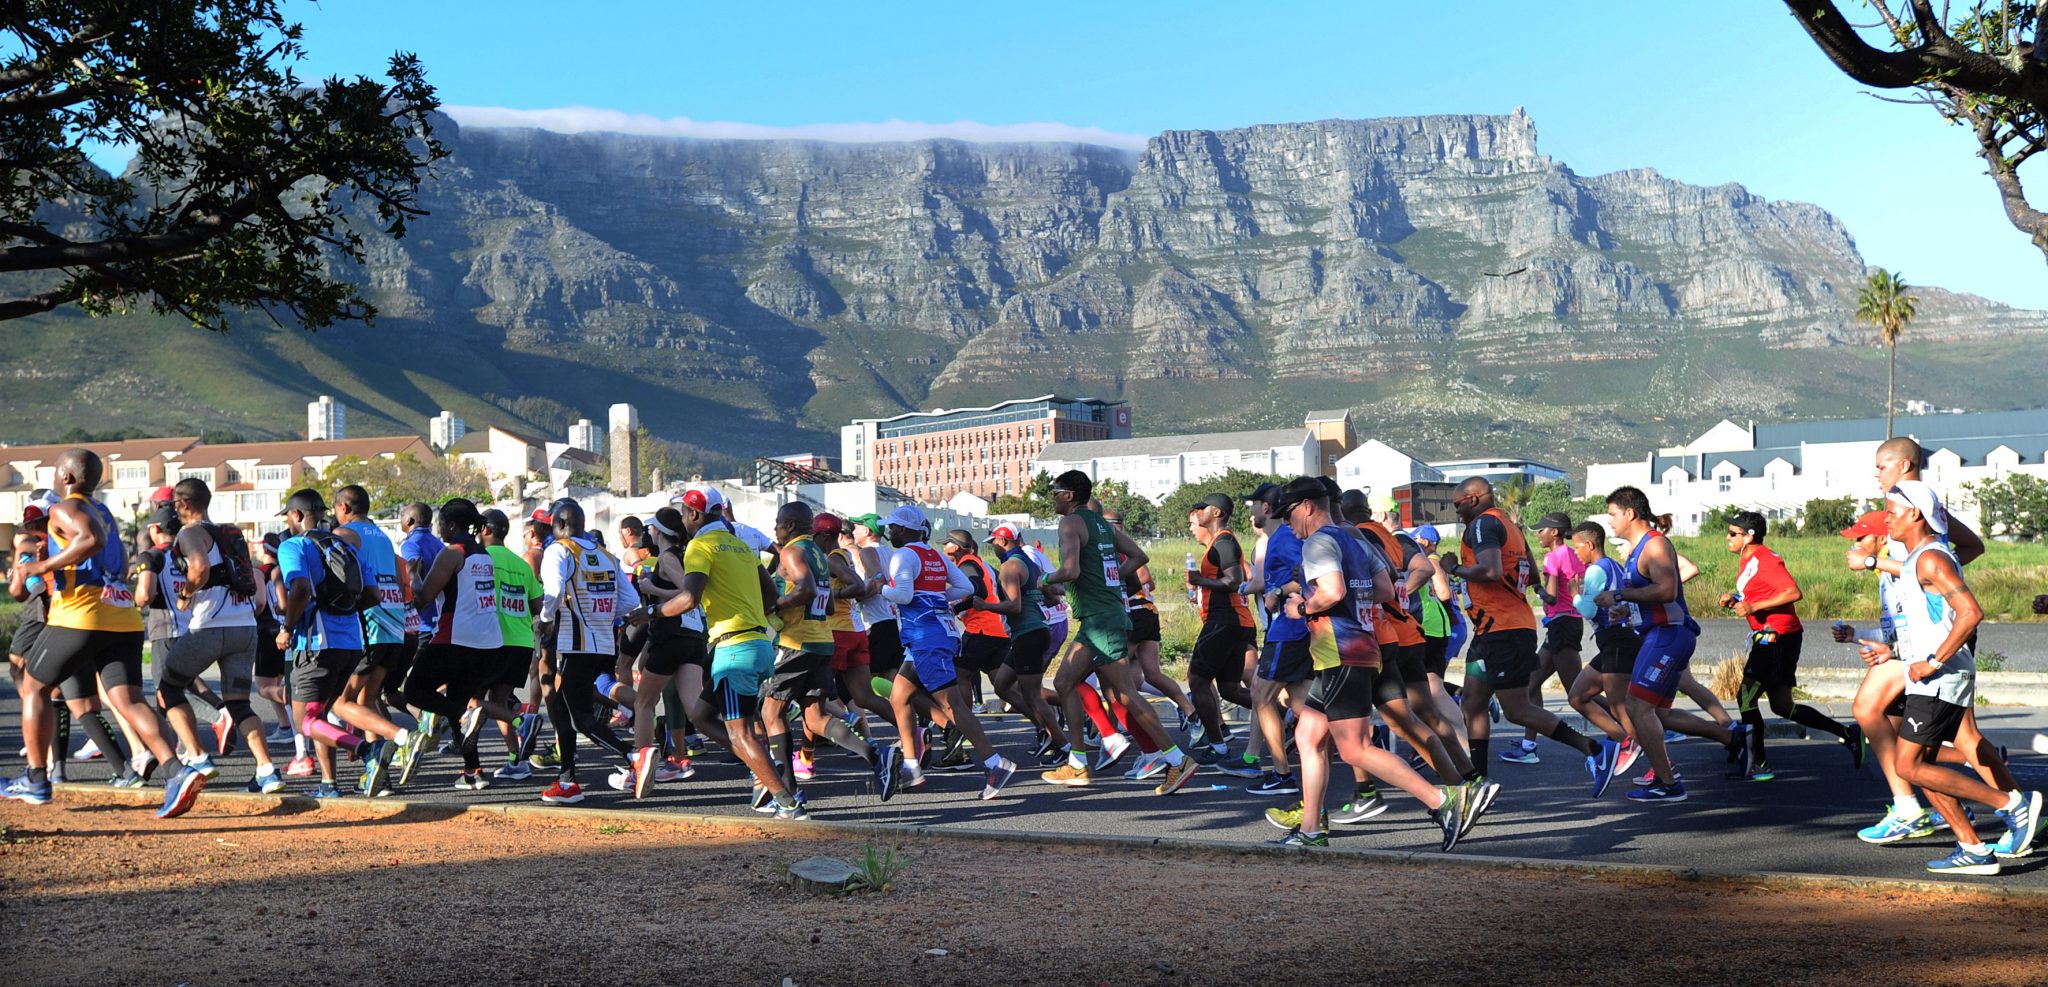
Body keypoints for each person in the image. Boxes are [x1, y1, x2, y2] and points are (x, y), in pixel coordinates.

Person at [1267, 477, 1473, 850]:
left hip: (1340, 653)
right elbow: (1384, 588)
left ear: (1308, 507)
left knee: (1354, 748)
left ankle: (1444, 801)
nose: (1288, 523)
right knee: (1308, 735)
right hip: (1361, 647)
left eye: (1289, 514)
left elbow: (1332, 591)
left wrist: (1301, 607)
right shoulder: (1354, 538)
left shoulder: (1318, 541)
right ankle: (1312, 830)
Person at [1857, 481, 2040, 873]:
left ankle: (2012, 805)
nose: (1886, 517)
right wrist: (1895, 652)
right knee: (1922, 763)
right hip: (1925, 674)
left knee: (1909, 765)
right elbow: (1928, 623)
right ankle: (1972, 847)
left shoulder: (1931, 559)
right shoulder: (1915, 560)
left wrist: (1934, 661)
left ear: (1915, 515)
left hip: (1941, 677)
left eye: (1891, 511)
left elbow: (1970, 612)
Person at [6, 450, 199, 816]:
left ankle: (35, 777)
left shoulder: (65, 508)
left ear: (65, 476)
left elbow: (90, 540)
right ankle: (177, 772)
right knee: (128, 700)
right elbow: (119, 560)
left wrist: (45, 563)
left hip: (81, 613)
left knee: (33, 687)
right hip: (122, 617)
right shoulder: (105, 511)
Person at [632, 488, 810, 819]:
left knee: (740, 733)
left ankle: (787, 801)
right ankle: (761, 770)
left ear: (696, 515)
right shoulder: (742, 546)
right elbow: (772, 593)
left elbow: (689, 598)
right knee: (700, 714)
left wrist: (652, 613)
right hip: (756, 644)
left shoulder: (700, 545)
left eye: (685, 512)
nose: (684, 518)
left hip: (733, 650)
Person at [1591, 487, 1747, 802]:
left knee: (1636, 706)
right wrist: (1627, 610)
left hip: (1669, 636)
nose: (1609, 521)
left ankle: (1669, 783)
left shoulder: (1655, 545)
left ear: (1630, 513)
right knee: (1656, 713)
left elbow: (1666, 589)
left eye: (1612, 514)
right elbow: (1651, 596)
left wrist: (1621, 595)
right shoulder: (1637, 549)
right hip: (1657, 634)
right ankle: (1731, 737)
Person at [1041, 471, 1193, 793]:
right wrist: (1109, 580)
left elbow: (1070, 570)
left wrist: (1043, 581)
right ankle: (1079, 764)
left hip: (1102, 620)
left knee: (1125, 693)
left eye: (1055, 492)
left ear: (1069, 495)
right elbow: (1140, 556)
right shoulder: (1102, 525)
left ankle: (1177, 759)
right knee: (1064, 681)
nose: (1052, 497)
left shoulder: (1070, 523)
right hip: (1102, 619)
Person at [1441, 477, 1600, 774]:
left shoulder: (1482, 524)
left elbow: (1490, 570)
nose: (1457, 512)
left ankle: (1592, 748)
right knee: (1473, 702)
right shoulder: (1509, 525)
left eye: (1458, 505)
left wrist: (1454, 569)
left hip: (1502, 630)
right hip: (1496, 629)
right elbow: (1534, 577)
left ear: (1474, 499)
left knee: (1517, 709)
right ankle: (1478, 779)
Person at [273, 488, 414, 799]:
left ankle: (368, 750)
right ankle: (328, 785)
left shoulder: (293, 546)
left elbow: (299, 588)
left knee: (305, 720)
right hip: (351, 642)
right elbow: (373, 595)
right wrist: (343, 612)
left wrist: (287, 627)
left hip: (315, 643)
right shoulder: (346, 546)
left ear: (296, 515)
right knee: (321, 715)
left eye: (288, 516)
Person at [155, 479, 281, 792]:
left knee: (168, 688)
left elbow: (198, 568)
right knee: (239, 704)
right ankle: (267, 771)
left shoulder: (189, 532)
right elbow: (251, 576)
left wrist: (186, 592)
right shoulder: (229, 532)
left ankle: (197, 757)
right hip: (245, 626)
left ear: (183, 505)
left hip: (210, 626)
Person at [879, 505, 1011, 798]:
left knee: (953, 706)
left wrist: (879, 587)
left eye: (891, 528)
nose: (888, 532)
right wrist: (938, 597)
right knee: (898, 697)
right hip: (935, 635)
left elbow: (903, 594)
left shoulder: (903, 555)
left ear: (902, 530)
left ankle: (994, 763)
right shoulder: (934, 555)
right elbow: (963, 587)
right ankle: (911, 768)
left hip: (926, 637)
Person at [1717, 509, 1858, 780]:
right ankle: (1848, 733)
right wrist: (1735, 600)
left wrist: (1752, 605)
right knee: (1782, 706)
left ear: (1750, 536)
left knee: (1746, 697)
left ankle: (1758, 763)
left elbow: (1793, 592)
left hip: (1777, 638)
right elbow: (1762, 593)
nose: (1727, 537)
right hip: (1777, 636)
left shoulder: (1765, 559)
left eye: (1733, 533)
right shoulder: (1749, 559)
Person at [767, 501, 894, 799]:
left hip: (797, 643)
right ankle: (878, 757)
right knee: (815, 718)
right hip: (823, 640)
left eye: (778, 523)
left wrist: (776, 605)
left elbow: (807, 590)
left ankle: (786, 794)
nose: (775, 530)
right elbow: (832, 602)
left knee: (771, 713)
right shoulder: (820, 556)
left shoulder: (793, 551)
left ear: (790, 526)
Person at [399, 498, 508, 792]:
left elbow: (422, 596)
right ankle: (473, 772)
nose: (439, 529)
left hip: (456, 637)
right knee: (455, 702)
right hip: (488, 642)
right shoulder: (482, 553)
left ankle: (463, 716)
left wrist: (412, 573)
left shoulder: (452, 553)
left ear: (452, 525)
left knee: (414, 690)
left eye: (441, 523)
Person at [536, 498, 640, 804]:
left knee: (579, 716)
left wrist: (545, 620)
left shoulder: (559, 550)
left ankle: (634, 754)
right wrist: (601, 616)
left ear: (559, 525)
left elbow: (553, 592)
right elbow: (630, 601)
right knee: (560, 705)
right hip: (603, 645)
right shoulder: (606, 555)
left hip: (575, 645)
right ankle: (567, 781)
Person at [1183, 494, 1258, 773]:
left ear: (1216, 512)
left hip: (1224, 621)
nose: (1197, 513)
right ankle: (1283, 716)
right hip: (1233, 621)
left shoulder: (1224, 540)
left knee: (1197, 680)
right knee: (1229, 688)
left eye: (1201, 509)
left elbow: (1234, 579)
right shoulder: (1219, 541)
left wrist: (1199, 580)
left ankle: (1218, 745)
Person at [1504, 512, 1586, 765]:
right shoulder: (1572, 553)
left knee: (1580, 694)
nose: (1538, 534)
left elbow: (1550, 597)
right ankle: (1529, 747)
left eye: (1541, 530)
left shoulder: (1554, 556)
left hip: (1562, 623)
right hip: (1566, 623)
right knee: (1531, 683)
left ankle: (1627, 733)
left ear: (1555, 533)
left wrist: (1535, 587)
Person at [981, 525, 1065, 755]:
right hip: (1033, 631)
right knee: (1002, 685)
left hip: (1029, 633)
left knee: (1032, 695)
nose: (993, 548)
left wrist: (984, 606)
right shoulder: (1032, 563)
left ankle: (1062, 745)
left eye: (994, 543)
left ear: (1003, 540)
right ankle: (1044, 728)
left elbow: (1014, 606)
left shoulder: (1010, 566)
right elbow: (1052, 600)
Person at [478, 508, 544, 782]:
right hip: (521, 642)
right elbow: (537, 605)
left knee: (471, 700)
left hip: (494, 641)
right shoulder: (520, 563)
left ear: (485, 530)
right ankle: (517, 762)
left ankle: (522, 721)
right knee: (498, 701)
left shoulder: (482, 560)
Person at [941, 529, 1010, 718]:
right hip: (997, 630)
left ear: (955, 547)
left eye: (945, 544)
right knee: (1006, 688)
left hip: (981, 629)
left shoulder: (966, 564)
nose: (943, 548)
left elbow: (977, 588)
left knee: (959, 675)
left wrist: (954, 608)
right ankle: (1047, 717)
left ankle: (964, 726)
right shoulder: (979, 564)